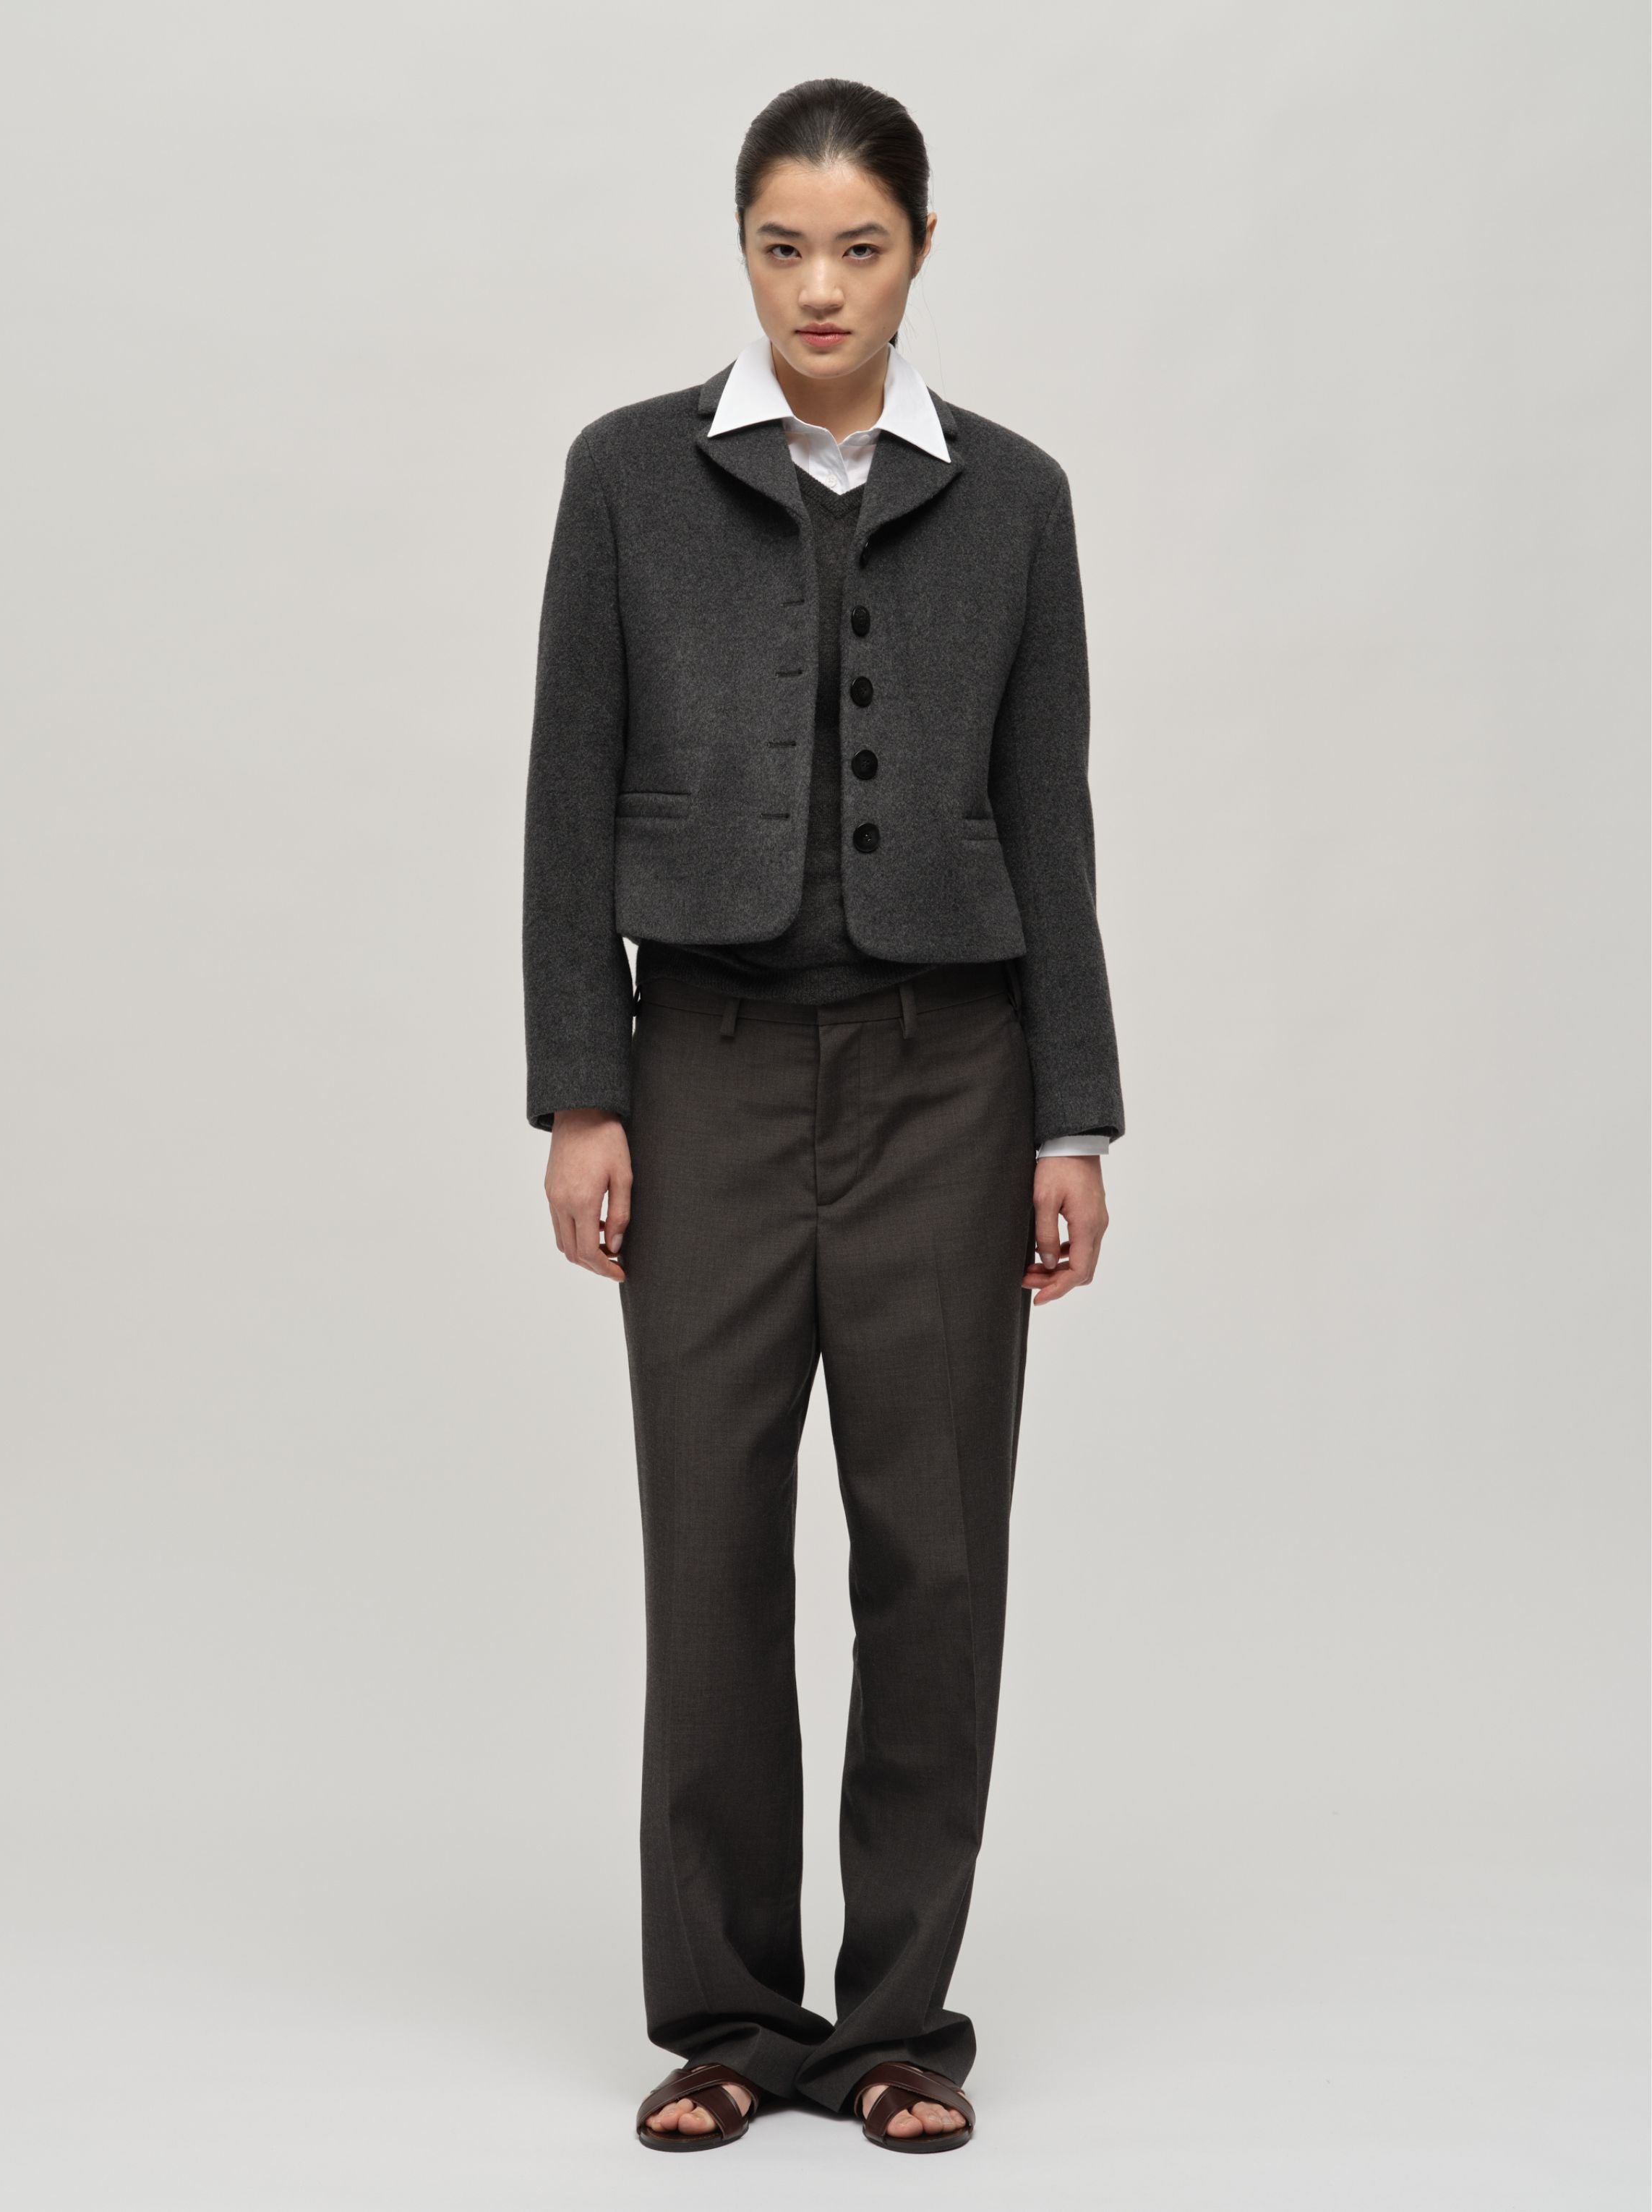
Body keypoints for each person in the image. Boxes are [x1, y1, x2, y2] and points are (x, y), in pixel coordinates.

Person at [521, 77, 1124, 2156]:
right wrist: (581, 1089)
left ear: (920, 253)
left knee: (934, 1554)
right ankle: (723, 2016)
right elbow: (565, 800)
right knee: (710, 1549)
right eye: (784, 246)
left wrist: (1072, 1117)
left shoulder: (1016, 498)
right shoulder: (626, 477)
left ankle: (892, 2027)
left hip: (952, 1079)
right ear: (745, 251)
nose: (820, 287)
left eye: (860, 247)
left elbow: (1051, 822)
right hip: (696, 1070)